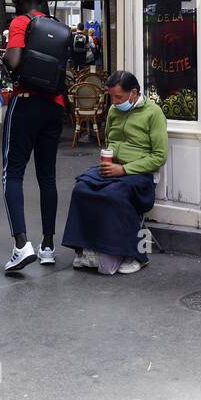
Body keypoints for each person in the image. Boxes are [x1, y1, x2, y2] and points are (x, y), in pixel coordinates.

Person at [62, 71, 167, 275]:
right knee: (82, 189)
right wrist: (109, 161)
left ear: (134, 93)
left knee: (113, 196)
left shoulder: (153, 113)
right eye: (112, 97)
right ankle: (86, 248)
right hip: (114, 168)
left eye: (118, 97)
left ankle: (133, 254)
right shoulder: (113, 110)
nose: (114, 101)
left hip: (138, 174)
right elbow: (110, 142)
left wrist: (124, 169)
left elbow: (159, 156)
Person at [0, 0, 66, 273]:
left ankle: (21, 244)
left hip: (25, 102)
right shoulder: (60, 28)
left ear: (20, 1)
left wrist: (6, 56)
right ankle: (48, 245)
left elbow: (14, 62)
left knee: (12, 173)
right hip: (55, 106)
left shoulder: (21, 23)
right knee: (47, 177)